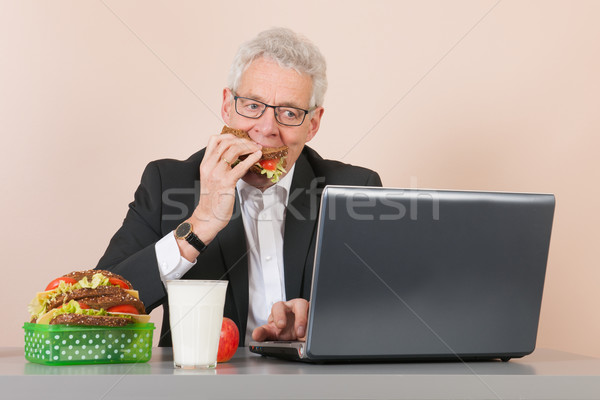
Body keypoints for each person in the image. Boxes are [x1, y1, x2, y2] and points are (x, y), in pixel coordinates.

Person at [96, 27, 382, 346]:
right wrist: (200, 224)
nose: (266, 128)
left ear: (312, 124)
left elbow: (387, 310)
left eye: (289, 112)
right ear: (227, 106)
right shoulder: (166, 184)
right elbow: (99, 304)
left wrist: (319, 321)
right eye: (252, 105)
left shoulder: (356, 189)